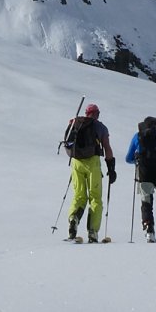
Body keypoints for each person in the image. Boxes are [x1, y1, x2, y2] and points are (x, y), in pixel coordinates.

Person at [60, 103, 116, 242]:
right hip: (93, 162)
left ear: (86, 113)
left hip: (76, 162)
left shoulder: (75, 123)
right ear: (96, 114)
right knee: (95, 198)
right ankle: (92, 232)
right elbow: (107, 148)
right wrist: (111, 168)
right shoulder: (100, 127)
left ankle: (74, 218)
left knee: (79, 196)